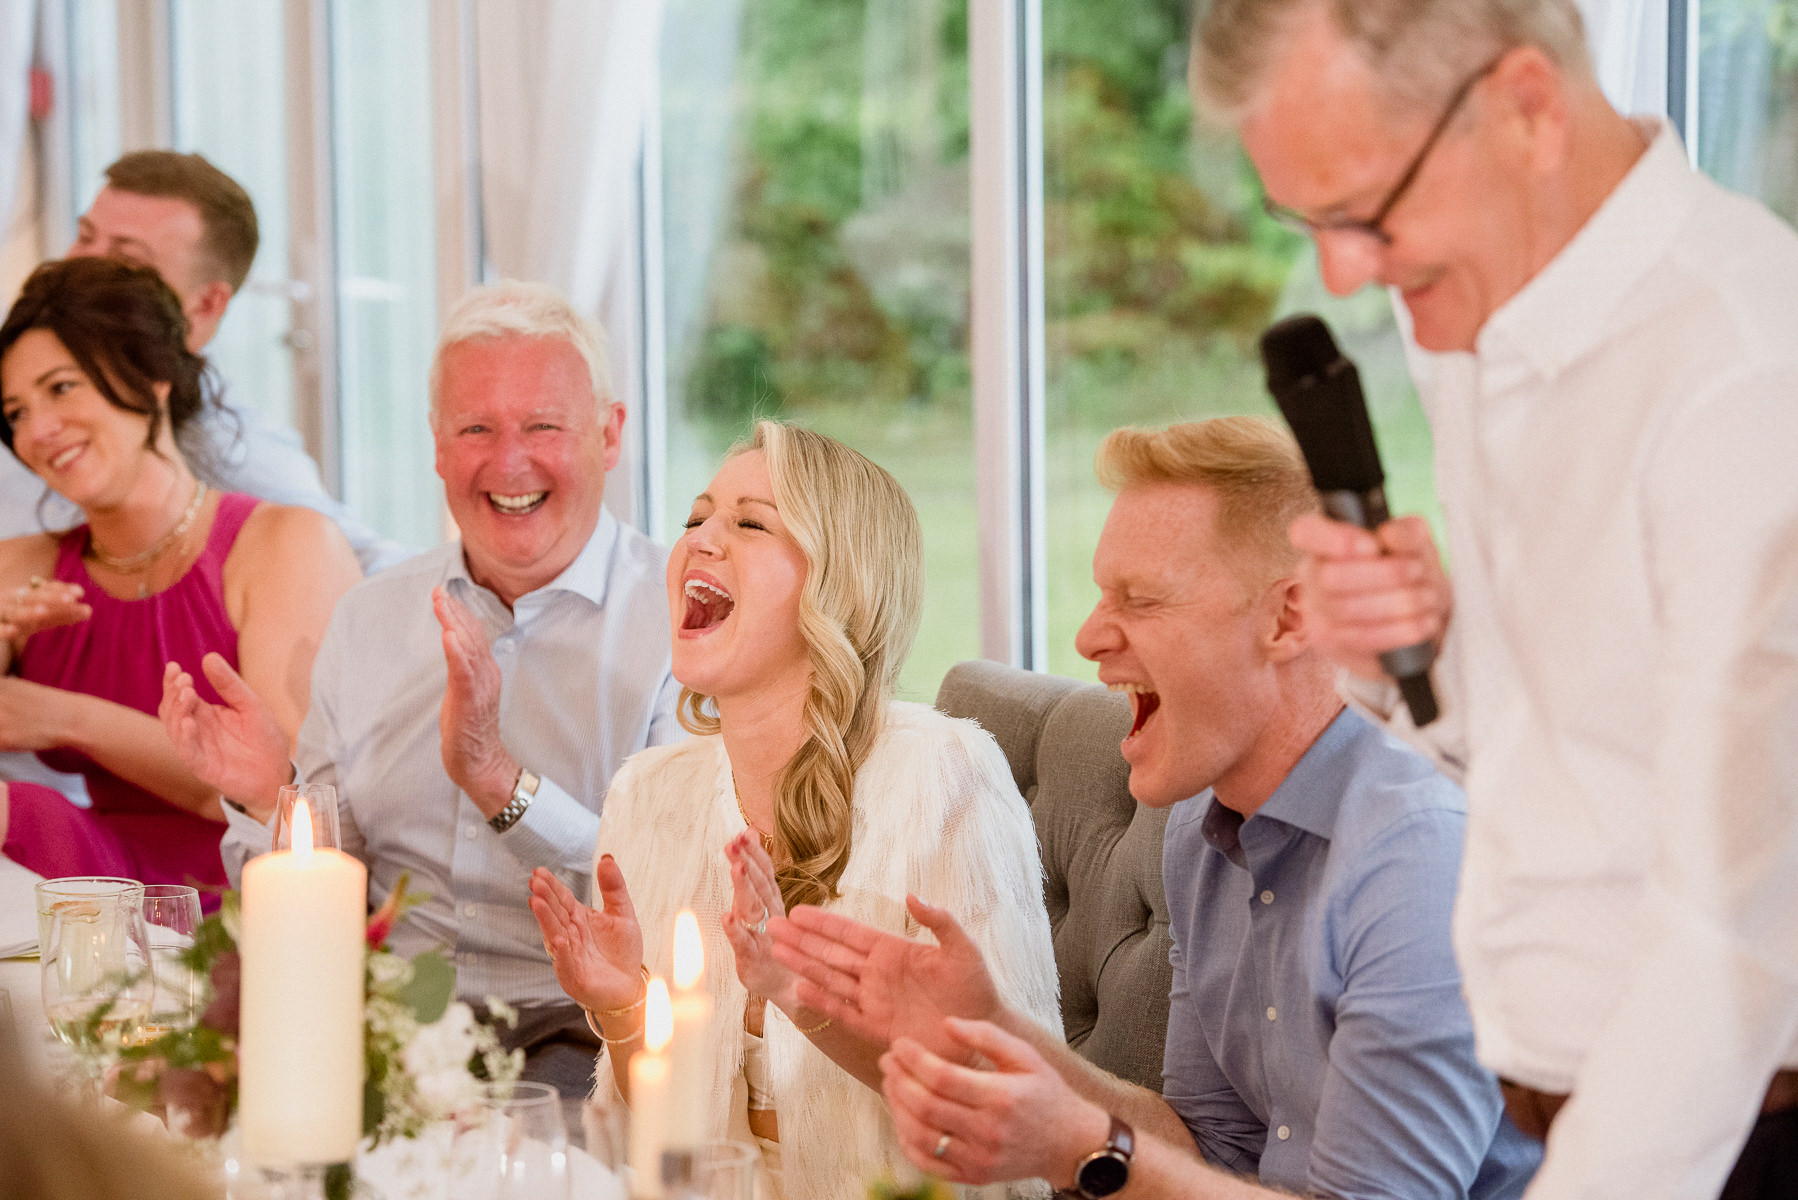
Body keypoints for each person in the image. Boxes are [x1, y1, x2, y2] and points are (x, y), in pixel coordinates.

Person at [1192, 2, 1798, 1197]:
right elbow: (1558, 738)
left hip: (1721, 1135)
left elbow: (1730, 932)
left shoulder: (1744, 374)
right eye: (1304, 222)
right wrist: (1422, 652)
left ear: (1525, 106)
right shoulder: (1474, 317)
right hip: (1557, 1106)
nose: (1341, 274)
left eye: (1364, 213)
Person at [771, 418, 1538, 1199]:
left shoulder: (1417, 854)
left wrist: (1080, 1147)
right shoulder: (1199, 830)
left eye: (1139, 599)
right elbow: (1203, 1146)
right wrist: (995, 1029)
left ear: (1288, 619)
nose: (1089, 635)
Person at [159, 281, 680, 1096]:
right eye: (477, 428)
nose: (510, 463)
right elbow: (337, 883)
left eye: (544, 426)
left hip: (590, 1038)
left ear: (609, 434)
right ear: (438, 447)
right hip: (380, 1027)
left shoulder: (679, 620)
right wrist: (274, 800)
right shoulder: (371, 617)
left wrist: (500, 783)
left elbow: (671, 886)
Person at [527, 420, 1060, 1200]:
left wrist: (800, 998)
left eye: (749, 523)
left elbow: (1008, 1120)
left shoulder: (943, 775)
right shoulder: (647, 794)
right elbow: (654, 1147)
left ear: (840, 584)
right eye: (696, 518)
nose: (700, 539)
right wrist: (623, 1010)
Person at [0, 257, 359, 903]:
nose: (38, 432)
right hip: (84, 890)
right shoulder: (23, 568)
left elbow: (286, 799)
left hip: (257, 900)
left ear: (154, 375)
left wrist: (64, 718)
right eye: (16, 412)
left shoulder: (283, 544)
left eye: (59, 389)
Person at [0, 149, 408, 573]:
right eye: (85, 237)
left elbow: (369, 565)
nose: (83, 267)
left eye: (127, 261)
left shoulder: (229, 449)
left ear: (207, 304)